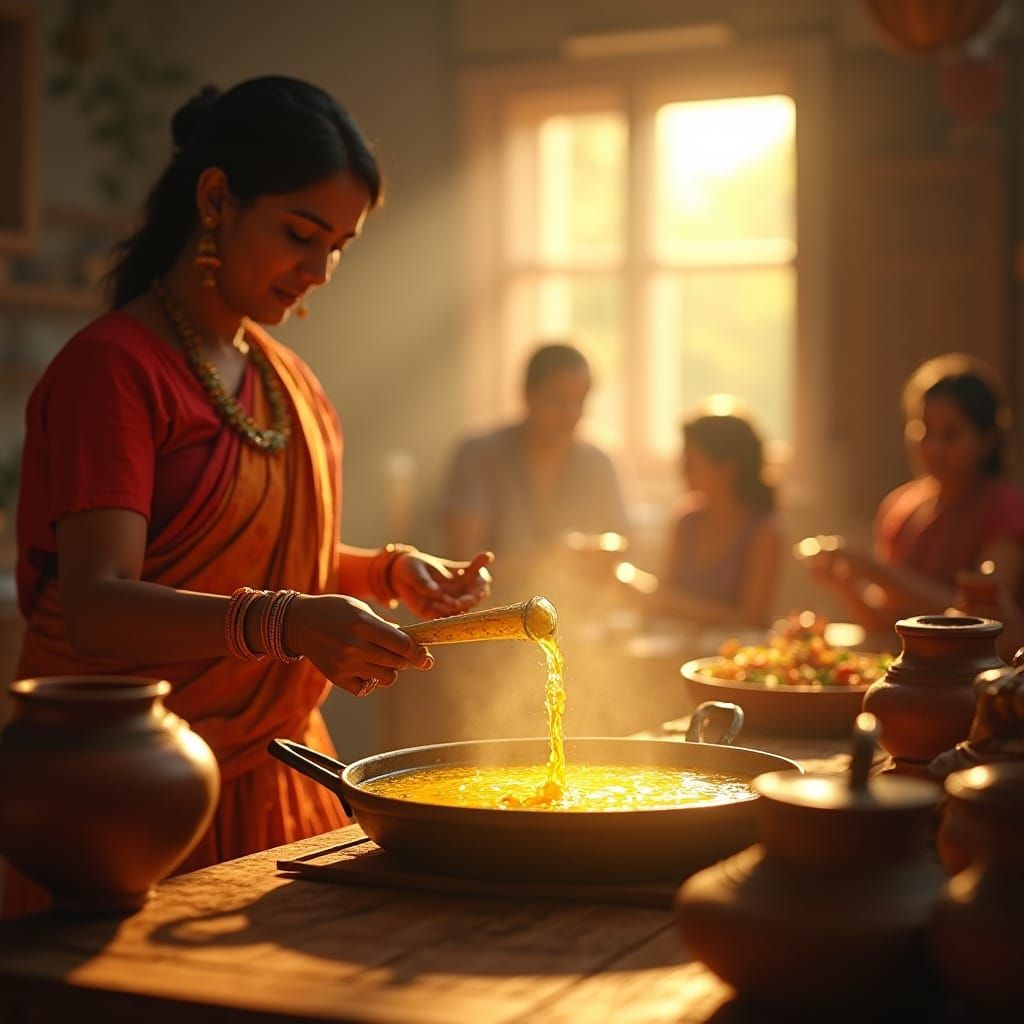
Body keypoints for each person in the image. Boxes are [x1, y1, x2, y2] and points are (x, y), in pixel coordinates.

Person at [5, 77, 492, 917]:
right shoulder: (114, 371)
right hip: (134, 795)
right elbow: (98, 603)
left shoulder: (284, 379)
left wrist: (387, 572)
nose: (320, 271)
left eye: (339, 245)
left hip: (283, 776)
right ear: (216, 198)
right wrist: (288, 622)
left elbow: (259, 558)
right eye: (301, 234)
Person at [798, 353, 1024, 641]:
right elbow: (886, 622)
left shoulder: (1006, 510)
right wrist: (846, 585)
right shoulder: (901, 507)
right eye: (924, 430)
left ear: (987, 440)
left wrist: (874, 569)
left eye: (950, 435)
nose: (933, 447)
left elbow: (982, 619)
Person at [439, 342, 628, 596]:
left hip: (575, 619)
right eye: (558, 400)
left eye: (579, 401)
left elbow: (619, 554)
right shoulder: (479, 455)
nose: (570, 413)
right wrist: (553, 560)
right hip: (490, 617)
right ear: (528, 394)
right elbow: (462, 565)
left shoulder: (599, 463)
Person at [618, 403, 782, 629]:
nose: (682, 469)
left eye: (691, 461)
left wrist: (674, 605)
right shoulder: (686, 520)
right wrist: (622, 577)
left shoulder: (764, 532)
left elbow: (750, 620)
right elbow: (666, 593)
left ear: (727, 468)